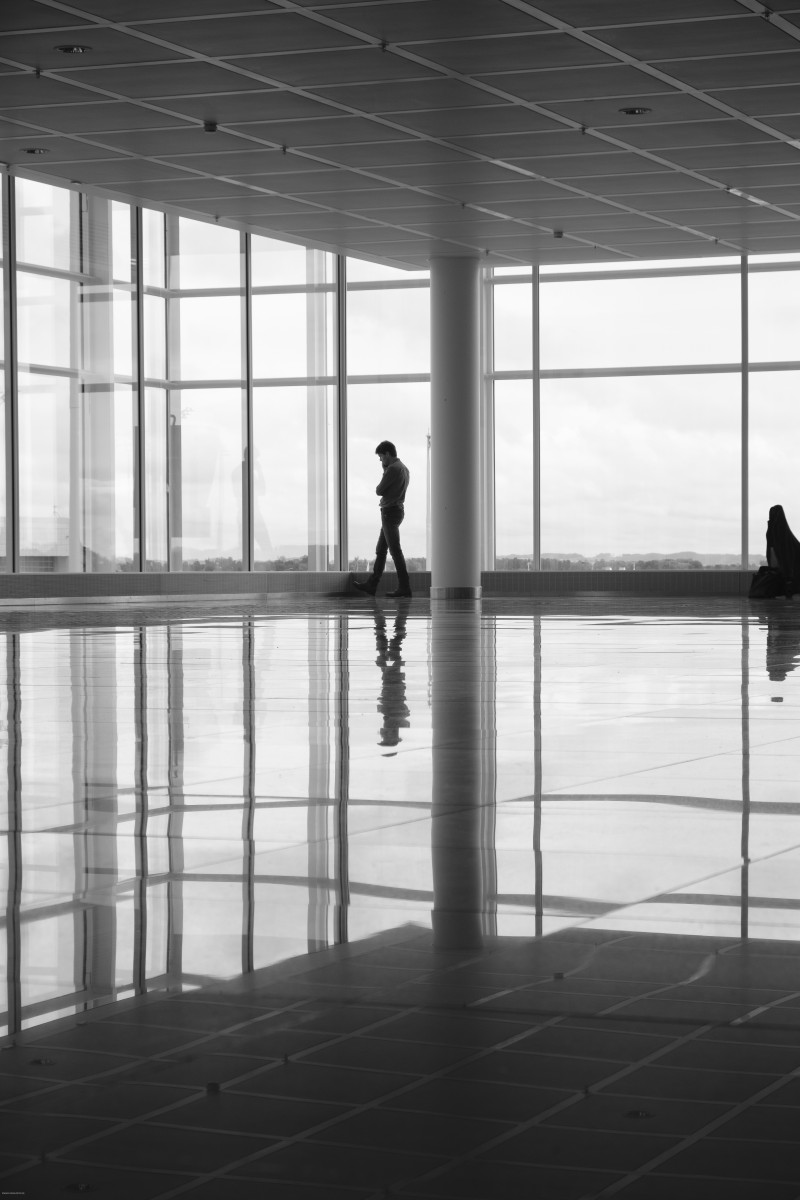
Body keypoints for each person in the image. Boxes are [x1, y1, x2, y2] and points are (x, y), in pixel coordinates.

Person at [353, 440, 412, 598]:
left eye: (381, 456)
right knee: (381, 550)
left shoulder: (392, 469)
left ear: (387, 454)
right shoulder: (404, 468)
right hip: (397, 510)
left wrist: (385, 470)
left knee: (394, 551)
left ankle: (404, 587)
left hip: (389, 512)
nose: (380, 460)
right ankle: (372, 585)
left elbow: (379, 490)